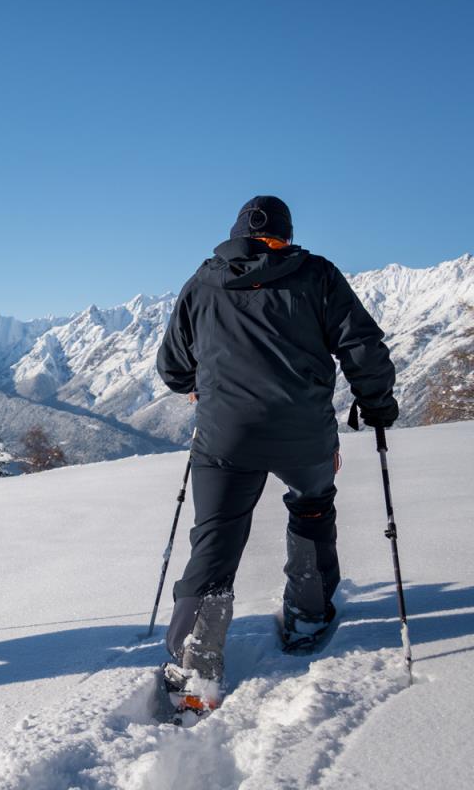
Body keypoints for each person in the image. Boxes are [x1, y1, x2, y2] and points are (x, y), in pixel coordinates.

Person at [155, 196, 397, 714]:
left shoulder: (203, 281)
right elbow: (361, 346)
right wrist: (376, 403)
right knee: (311, 508)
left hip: (225, 438)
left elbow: (172, 367)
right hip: (304, 433)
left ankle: (196, 669)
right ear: (286, 235)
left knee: (216, 538)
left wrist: (203, 382)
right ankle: (306, 616)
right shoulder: (318, 276)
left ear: (237, 233)